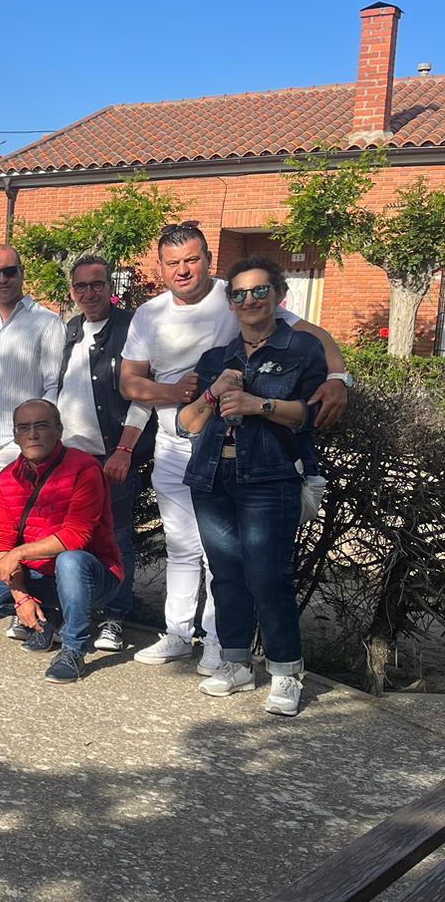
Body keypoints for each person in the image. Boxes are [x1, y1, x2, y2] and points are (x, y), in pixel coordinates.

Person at [120, 222, 351, 671]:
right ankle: (178, 633)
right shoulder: (149, 314)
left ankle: (219, 644)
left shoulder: (241, 295)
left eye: (192, 259)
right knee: (182, 546)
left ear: (208, 259)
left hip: (238, 449)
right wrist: (176, 393)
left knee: (220, 556)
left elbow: (313, 335)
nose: (183, 270)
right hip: (175, 442)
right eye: (172, 263)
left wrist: (339, 377)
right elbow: (130, 382)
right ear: (160, 267)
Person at [178, 256, 328, 717]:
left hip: (268, 477)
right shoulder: (215, 359)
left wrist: (257, 403)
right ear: (230, 303)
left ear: (278, 295)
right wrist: (211, 392)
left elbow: (307, 416)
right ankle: (236, 663)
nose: (249, 300)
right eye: (239, 294)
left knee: (268, 576)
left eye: (259, 291)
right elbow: (187, 426)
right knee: (226, 576)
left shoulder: (300, 350)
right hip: (211, 478)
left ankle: (286, 672)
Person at [0, 400, 125, 684]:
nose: (32, 434)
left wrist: (19, 553)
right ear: (16, 435)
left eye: (41, 425)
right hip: (40, 575)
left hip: (93, 575)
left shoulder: (85, 468)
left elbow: (76, 536)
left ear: (59, 430)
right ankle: (49, 618)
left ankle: (73, 648)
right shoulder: (8, 477)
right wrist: (21, 597)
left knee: (70, 560)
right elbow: (3, 538)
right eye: (24, 428)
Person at [52, 253, 150, 653]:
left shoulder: (131, 330)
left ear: (112, 287)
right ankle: (77, 614)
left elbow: (142, 396)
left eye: (97, 284)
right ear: (72, 291)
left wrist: (125, 449)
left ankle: (114, 617)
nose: (89, 292)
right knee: (72, 541)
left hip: (110, 458)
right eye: (81, 286)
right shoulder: (70, 331)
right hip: (68, 461)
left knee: (116, 539)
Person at [0, 244, 66, 566]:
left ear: (22, 273)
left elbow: (53, 386)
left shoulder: (47, 323)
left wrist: (37, 440)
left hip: (18, 445)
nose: (2, 279)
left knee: (25, 527)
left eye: (9, 271)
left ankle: (26, 601)